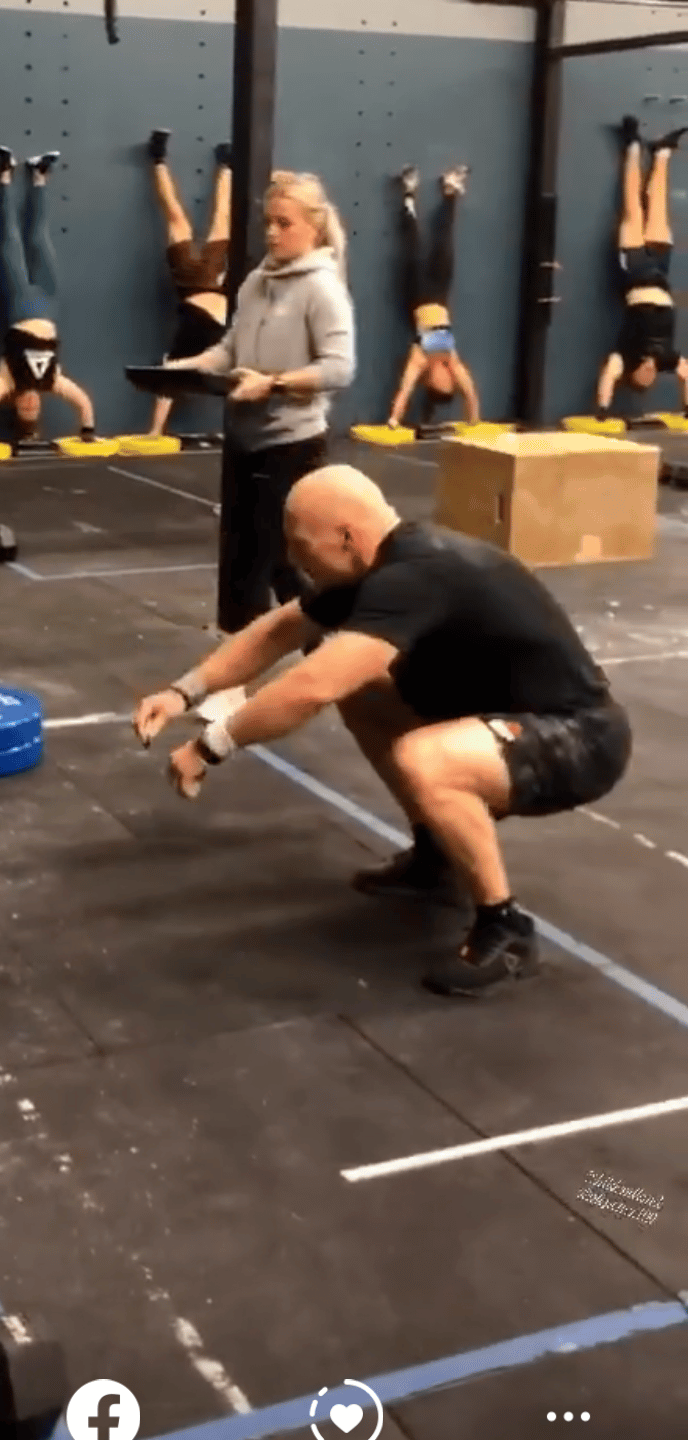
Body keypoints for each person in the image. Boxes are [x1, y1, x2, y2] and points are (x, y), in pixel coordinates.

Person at [132, 464, 631, 998]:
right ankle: (438, 855)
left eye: (301, 544)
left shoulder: (415, 577)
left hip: (577, 738)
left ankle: (505, 928)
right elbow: (281, 629)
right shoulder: (376, 565)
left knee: (424, 756)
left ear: (346, 537)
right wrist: (184, 691)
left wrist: (209, 747)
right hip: (510, 719)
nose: (293, 558)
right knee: (365, 692)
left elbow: (310, 687)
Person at [170, 170, 355, 719]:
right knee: (261, 560)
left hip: (293, 444)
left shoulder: (322, 288)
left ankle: (232, 685)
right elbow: (229, 351)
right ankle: (330, 644)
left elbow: (339, 368)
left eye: (284, 223)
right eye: (267, 222)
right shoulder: (254, 282)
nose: (272, 232)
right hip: (244, 439)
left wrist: (273, 384)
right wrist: (183, 369)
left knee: (257, 561)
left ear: (313, 227)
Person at [0, 149, 96, 444]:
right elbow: (83, 402)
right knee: (40, 239)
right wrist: (88, 432)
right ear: (40, 406)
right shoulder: (52, 381)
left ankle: (5, 175)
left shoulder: (7, 380)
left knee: (11, 239)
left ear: (15, 404)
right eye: (33, 409)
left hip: (19, 306)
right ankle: (39, 176)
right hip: (48, 304)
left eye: (24, 409)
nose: (30, 404)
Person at [595, 117, 688, 417]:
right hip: (660, 272)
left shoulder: (624, 357)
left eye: (642, 377)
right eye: (651, 379)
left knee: (633, 208)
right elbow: (686, 373)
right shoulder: (666, 361)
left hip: (634, 273)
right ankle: (662, 153)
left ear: (633, 375)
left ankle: (633, 146)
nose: (649, 374)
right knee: (659, 207)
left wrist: (603, 410)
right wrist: (687, 407)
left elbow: (609, 375)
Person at [145, 128, 231, 437]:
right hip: (215, 283)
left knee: (177, 218)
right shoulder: (221, 346)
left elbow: (167, 382)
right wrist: (155, 434)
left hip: (189, 285)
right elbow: (168, 384)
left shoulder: (189, 349)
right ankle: (226, 165)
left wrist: (155, 433)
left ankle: (158, 159)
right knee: (221, 219)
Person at [387, 166, 481, 430]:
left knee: (413, 246)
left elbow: (405, 390)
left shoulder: (420, 357)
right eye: (451, 382)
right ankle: (450, 192)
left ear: (431, 382)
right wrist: (474, 419)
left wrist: (394, 419)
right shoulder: (450, 358)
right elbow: (470, 392)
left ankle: (408, 193)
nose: (450, 379)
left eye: (446, 383)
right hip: (440, 295)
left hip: (418, 295)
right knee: (445, 246)